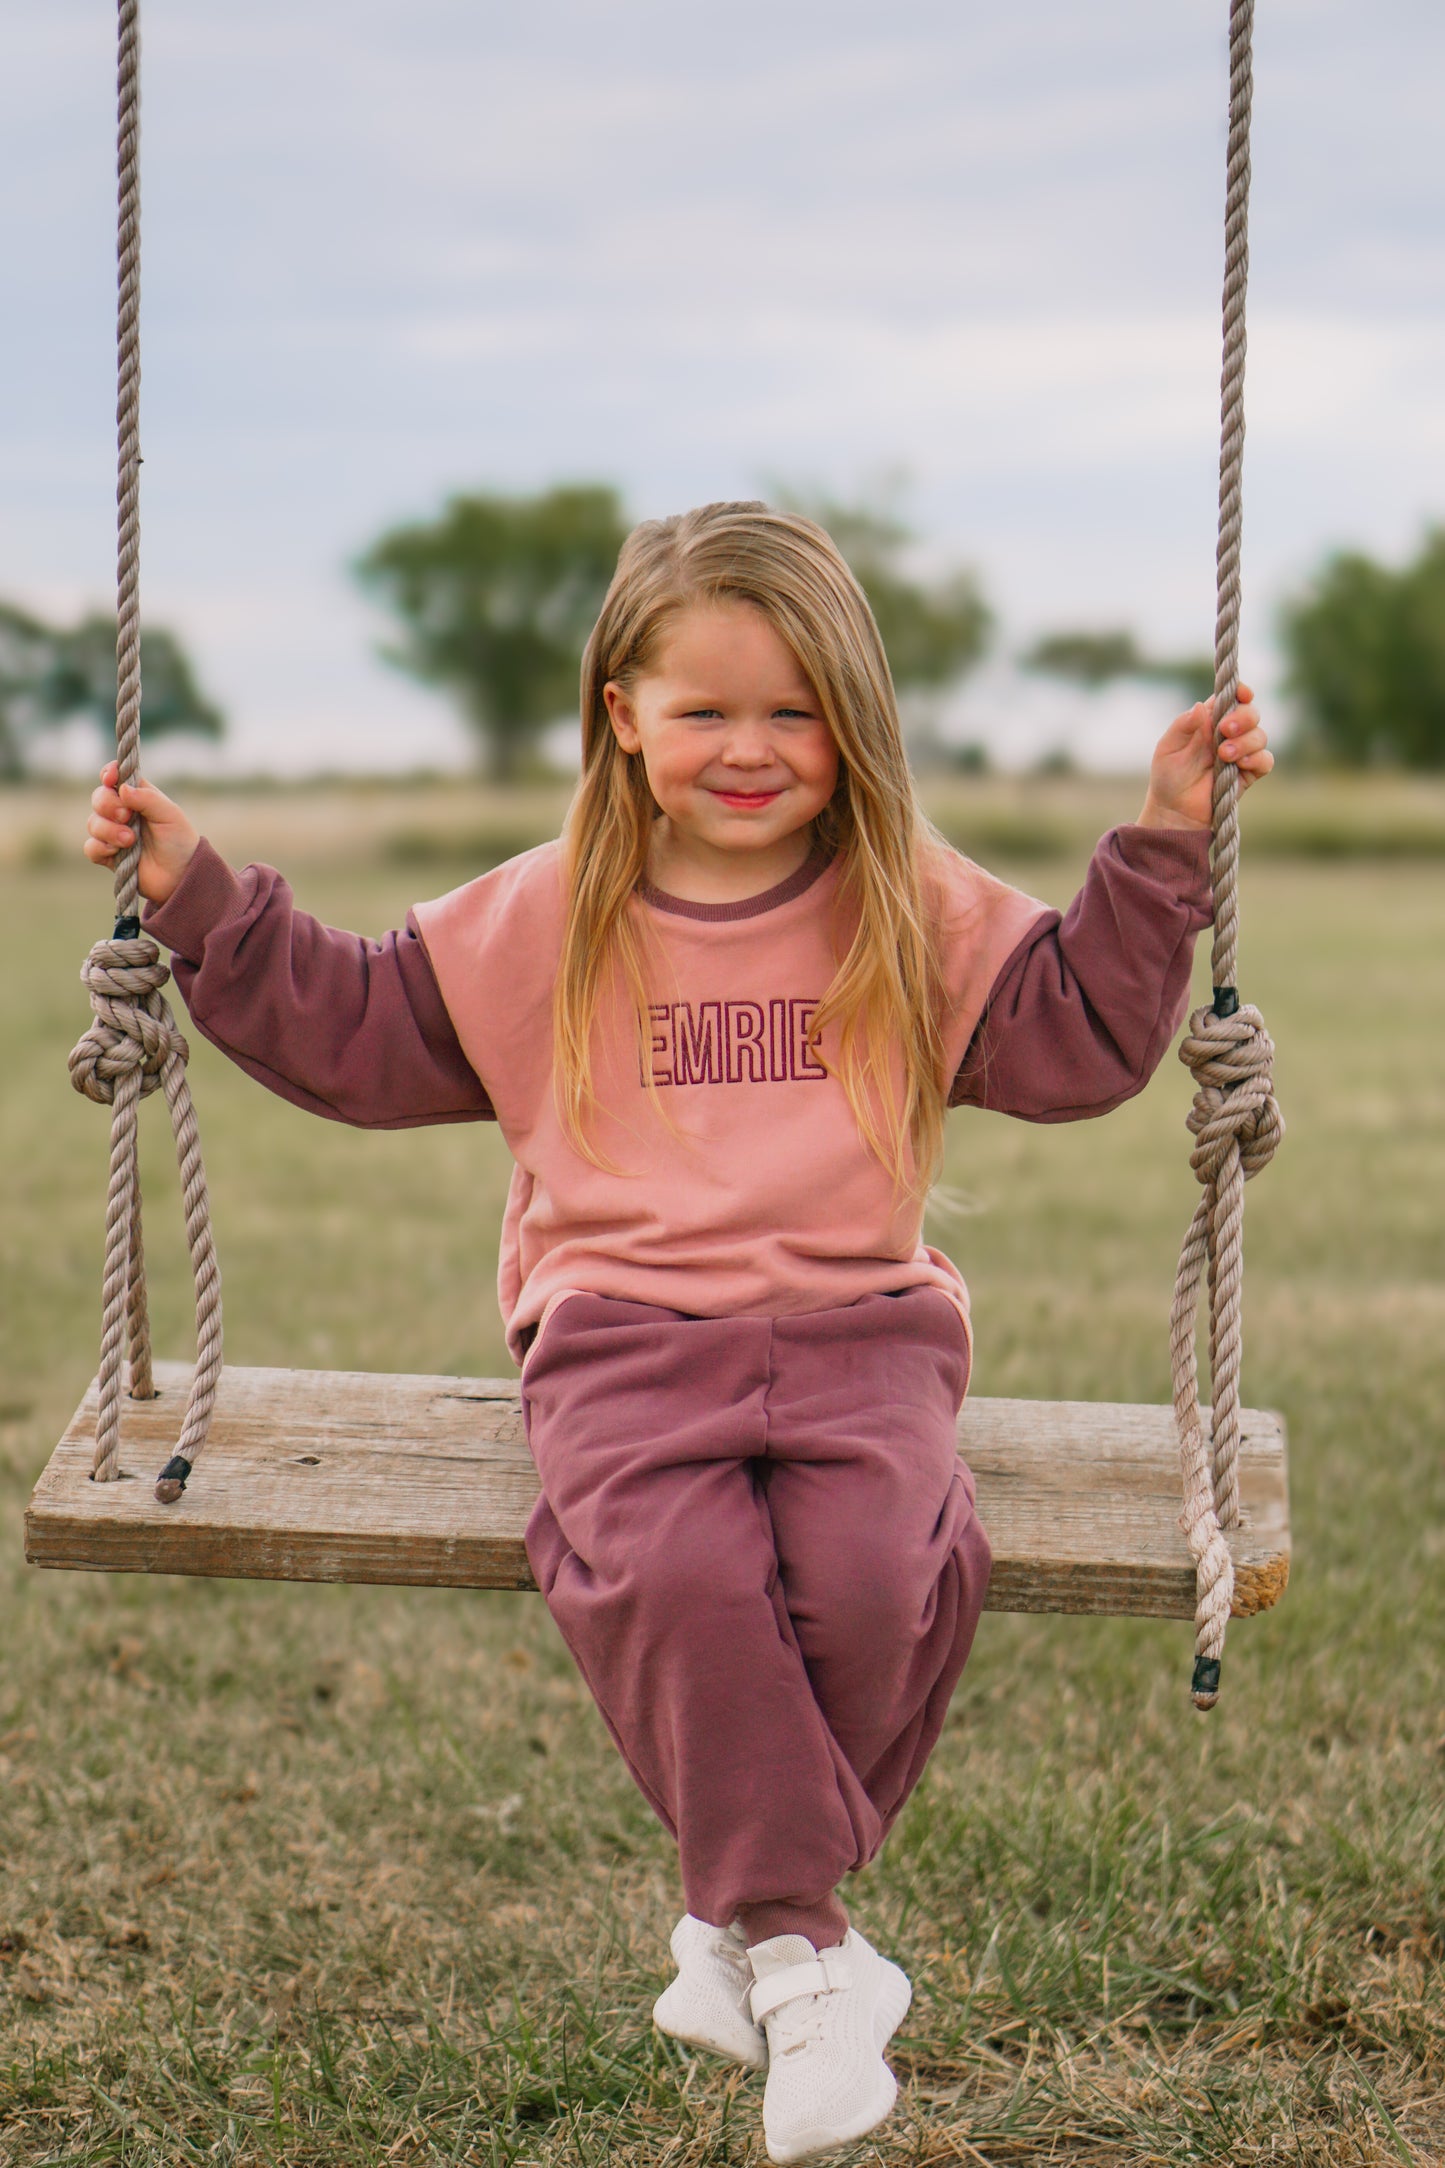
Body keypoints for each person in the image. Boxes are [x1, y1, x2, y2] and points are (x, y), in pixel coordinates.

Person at [84, 502, 1272, 2165]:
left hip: (864, 1328)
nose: (749, 748)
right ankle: (809, 1956)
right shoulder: (542, 913)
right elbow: (352, 1029)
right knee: (670, 1572)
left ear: (851, 720)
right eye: (704, 707)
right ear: (622, 712)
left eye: (793, 709)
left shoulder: (902, 901)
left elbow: (1076, 1040)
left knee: (880, 1574)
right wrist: (202, 900)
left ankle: (745, 1930)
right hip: (619, 1334)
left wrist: (1159, 847)